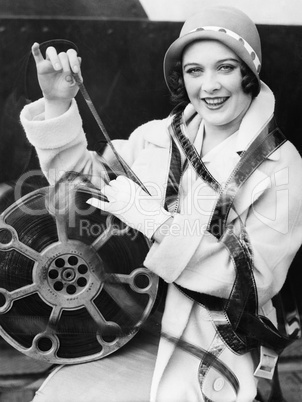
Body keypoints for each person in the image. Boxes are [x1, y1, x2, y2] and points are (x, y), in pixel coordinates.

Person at [20, 5, 302, 402]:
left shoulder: (281, 165)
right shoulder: (156, 137)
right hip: (129, 324)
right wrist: (56, 103)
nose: (209, 86)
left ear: (248, 73)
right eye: (194, 71)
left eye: (224, 67)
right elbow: (79, 188)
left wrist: (155, 221)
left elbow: (250, 283)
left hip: (209, 341)